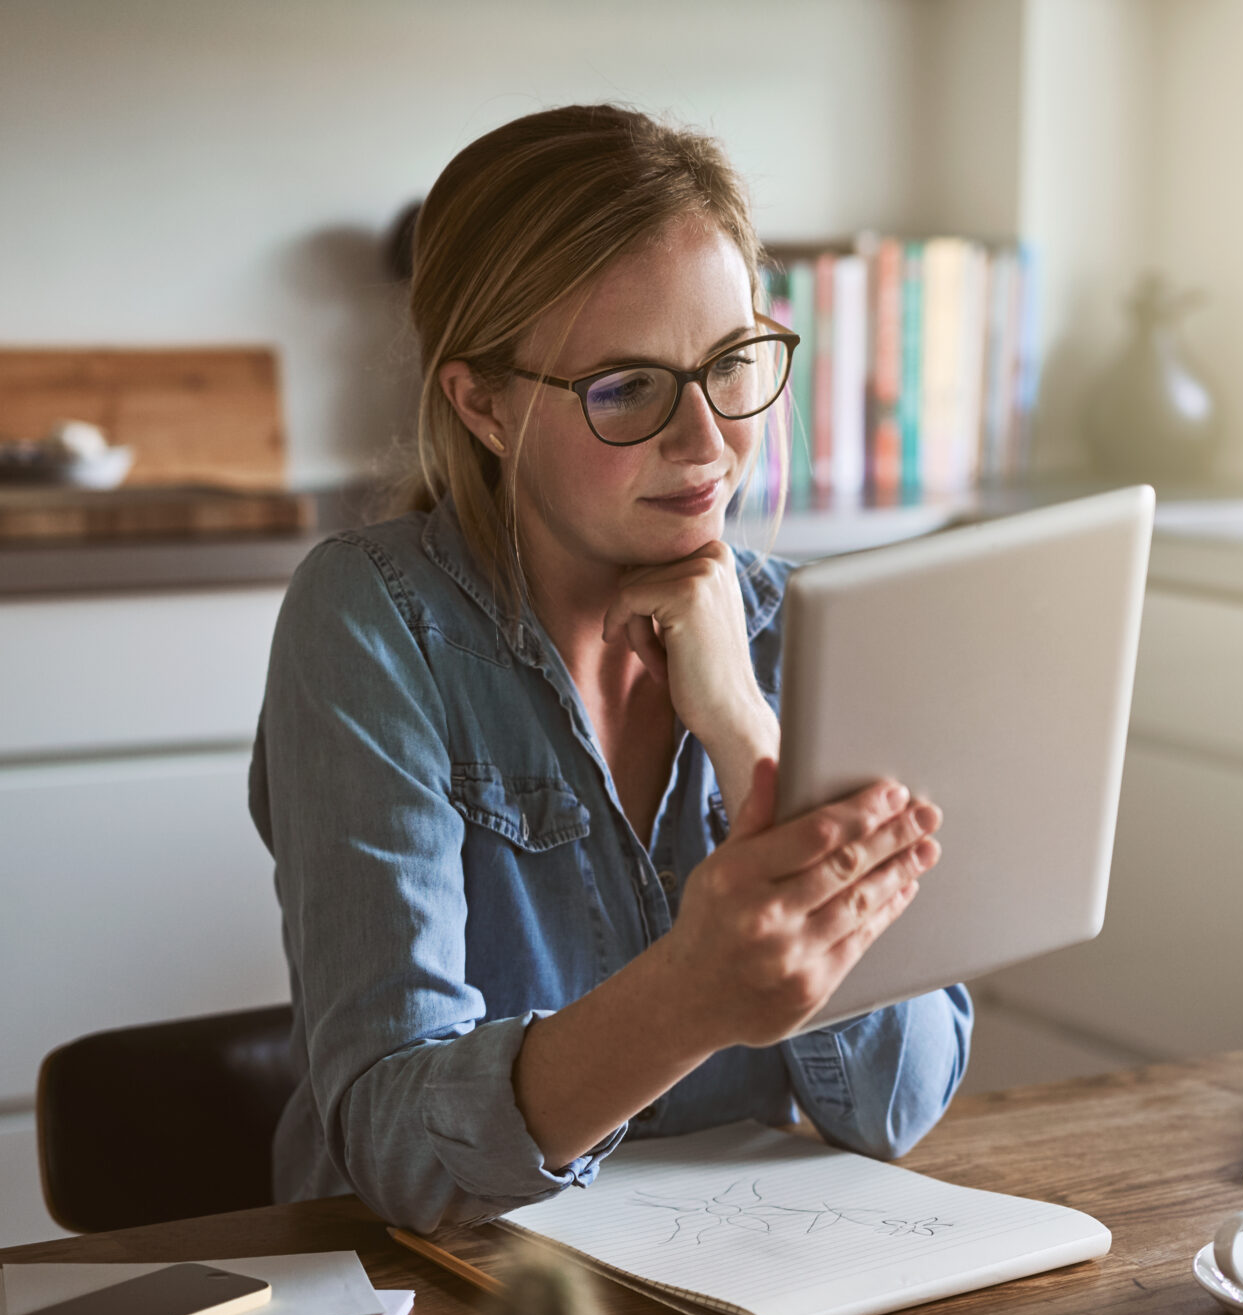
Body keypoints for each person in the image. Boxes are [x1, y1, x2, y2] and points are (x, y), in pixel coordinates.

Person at [249, 104, 972, 1232]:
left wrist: (747, 739)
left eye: (730, 363)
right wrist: (690, 995)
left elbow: (898, 1103)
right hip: (439, 1296)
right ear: (481, 403)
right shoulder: (372, 622)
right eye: (627, 387)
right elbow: (396, 1149)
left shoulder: (809, 632)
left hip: (738, 1282)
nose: (706, 442)